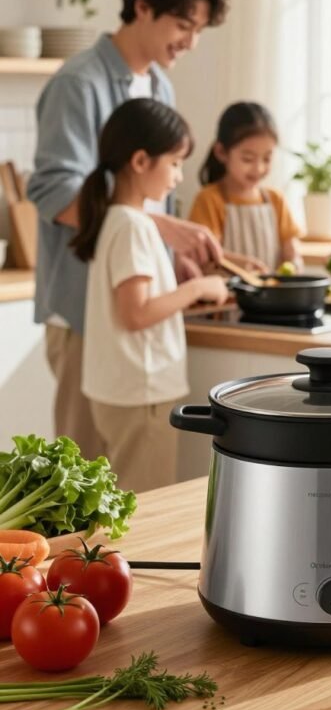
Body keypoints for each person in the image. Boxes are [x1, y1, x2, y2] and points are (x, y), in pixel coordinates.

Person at [28, 0, 230, 459]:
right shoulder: (79, 83)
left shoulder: (159, 84)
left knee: (126, 490)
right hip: (82, 312)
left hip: (133, 307)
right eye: (184, 24)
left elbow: (150, 194)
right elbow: (54, 192)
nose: (191, 41)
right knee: (78, 483)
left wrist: (174, 257)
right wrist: (163, 231)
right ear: (142, 7)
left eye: (200, 30)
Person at [70, 98, 228, 492]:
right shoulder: (133, 226)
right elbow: (135, 313)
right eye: (174, 163)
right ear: (140, 161)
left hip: (120, 390)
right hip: (142, 394)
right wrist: (198, 288)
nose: (178, 177)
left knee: (118, 505)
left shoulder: (117, 218)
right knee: (142, 509)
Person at [190, 102, 303, 273]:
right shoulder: (209, 199)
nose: (258, 169)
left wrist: (294, 263)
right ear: (221, 152)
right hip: (224, 297)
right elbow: (205, 256)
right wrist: (240, 265)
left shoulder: (275, 200)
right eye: (248, 159)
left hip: (270, 297)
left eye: (267, 159)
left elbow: (291, 249)